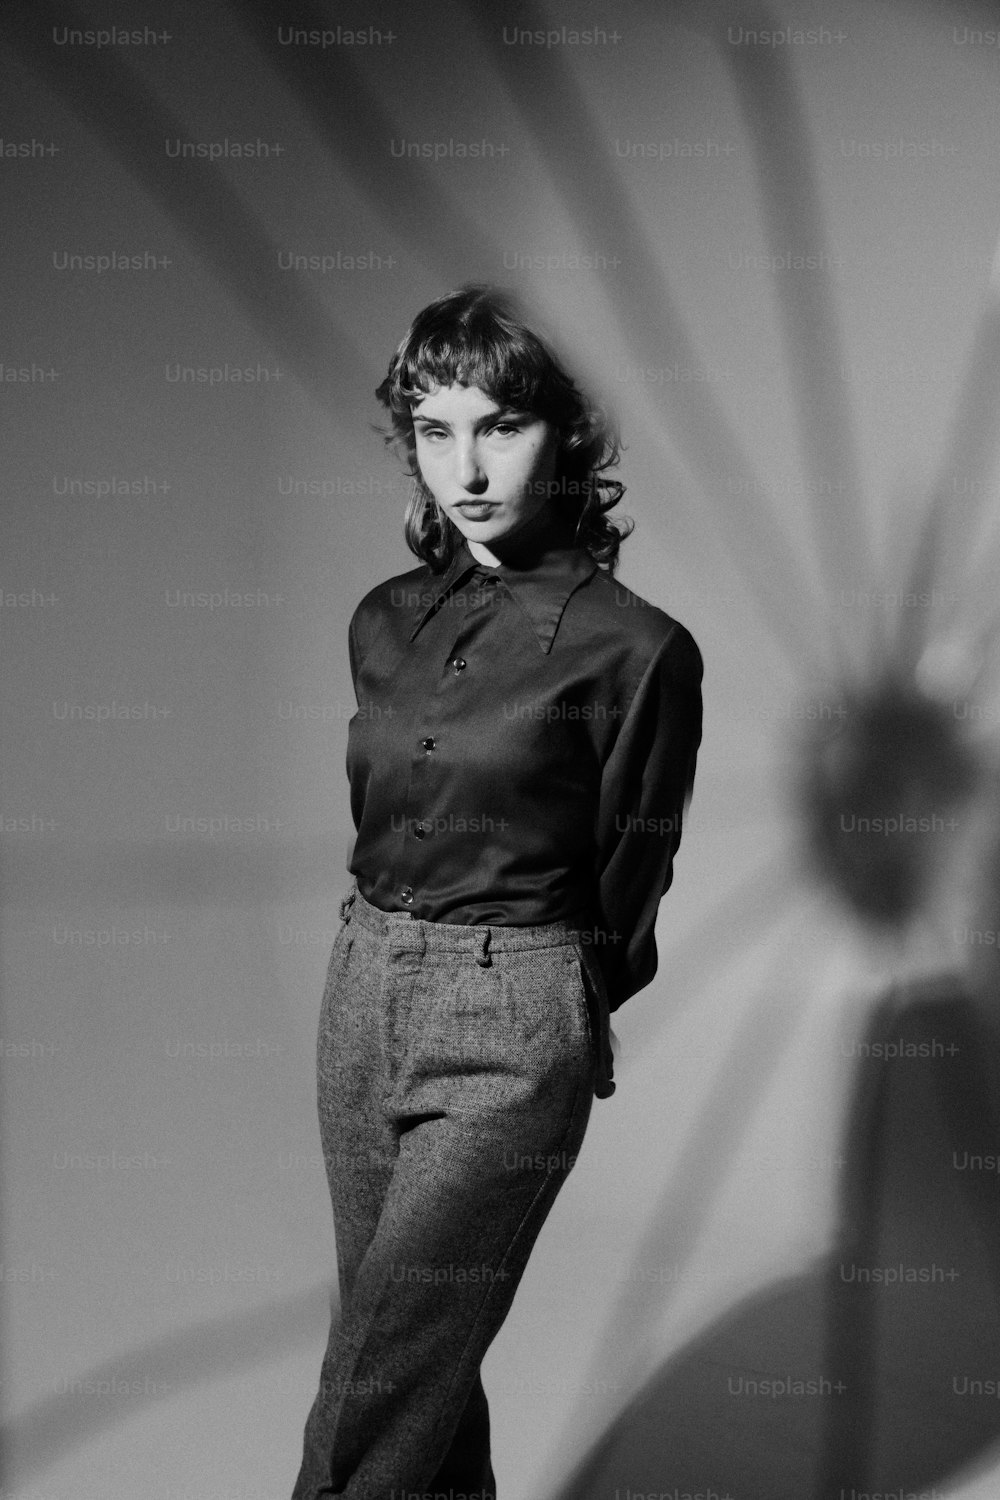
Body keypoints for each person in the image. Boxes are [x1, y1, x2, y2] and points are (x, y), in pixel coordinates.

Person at [291, 284, 703, 1498]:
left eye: (499, 427)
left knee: (374, 1382)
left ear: (561, 437)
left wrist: (561, 1011)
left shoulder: (637, 649)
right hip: (360, 990)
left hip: (513, 1015)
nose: (464, 468)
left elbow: (634, 864)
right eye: (433, 431)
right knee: (420, 1365)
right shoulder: (382, 621)